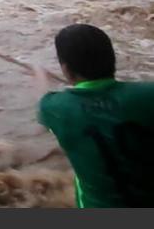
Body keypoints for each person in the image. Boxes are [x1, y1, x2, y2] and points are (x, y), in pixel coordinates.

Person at [34, 23, 154, 207]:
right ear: (112, 58)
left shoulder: (57, 108)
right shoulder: (147, 94)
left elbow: (43, 100)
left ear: (66, 70)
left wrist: (40, 74)